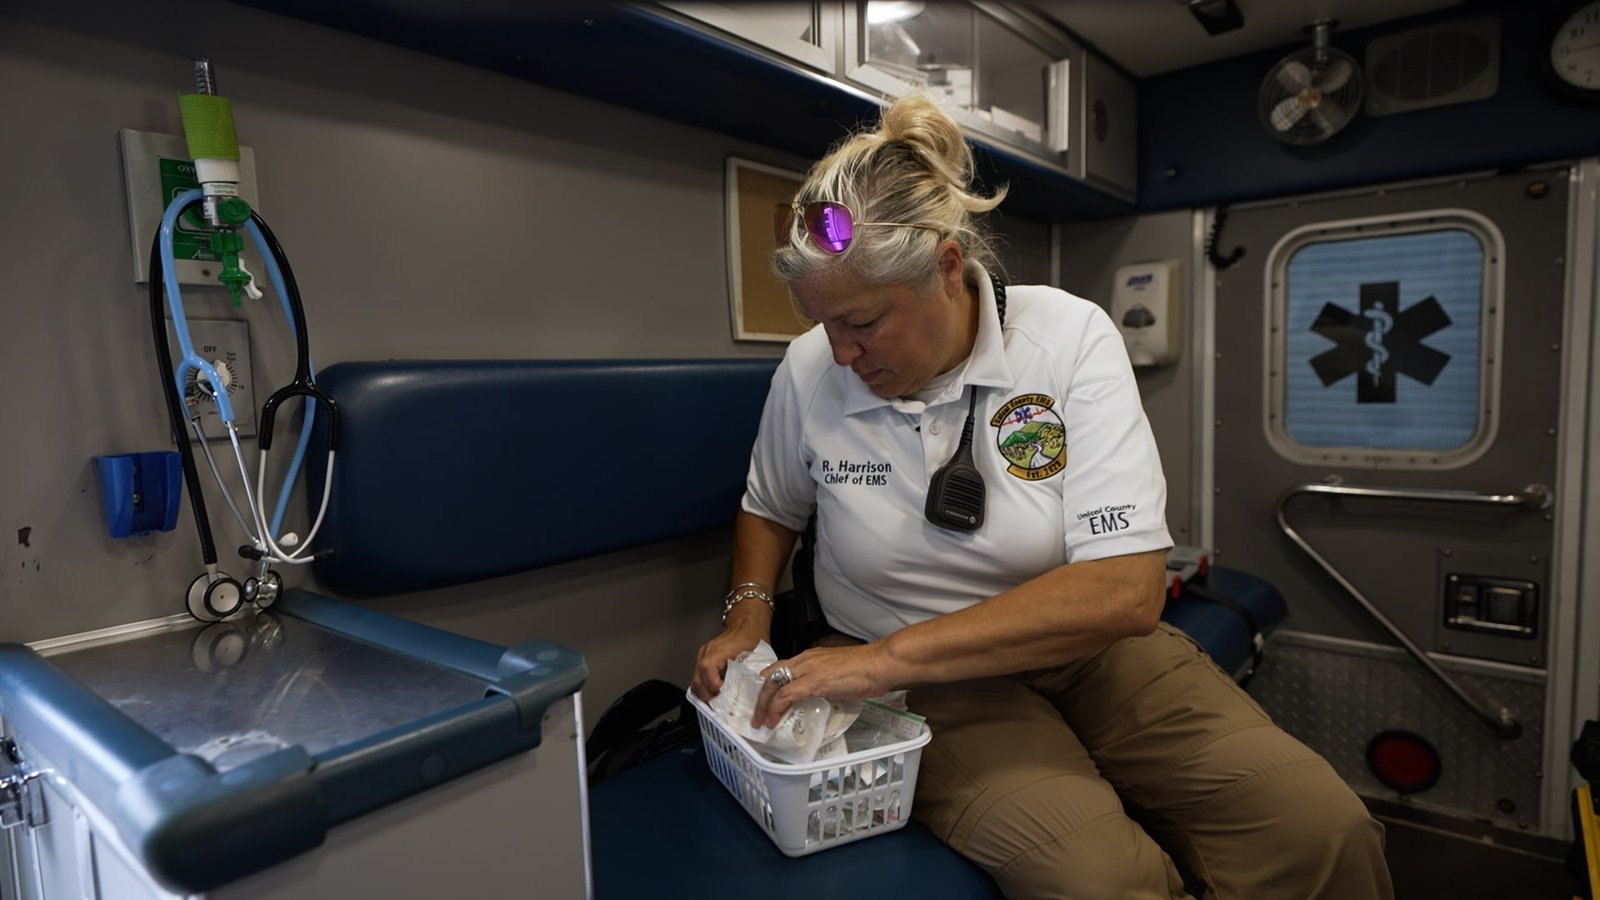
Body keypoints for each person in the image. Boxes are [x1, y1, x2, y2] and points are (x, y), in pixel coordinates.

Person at [690, 94, 1393, 900]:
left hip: (1089, 655)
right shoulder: (811, 367)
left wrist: (869, 663)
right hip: (934, 687)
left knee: (1319, 829)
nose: (840, 353)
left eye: (864, 323)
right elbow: (771, 505)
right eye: (823, 325)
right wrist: (747, 614)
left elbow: (1125, 592)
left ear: (947, 268)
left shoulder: (1067, 337)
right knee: (1100, 879)